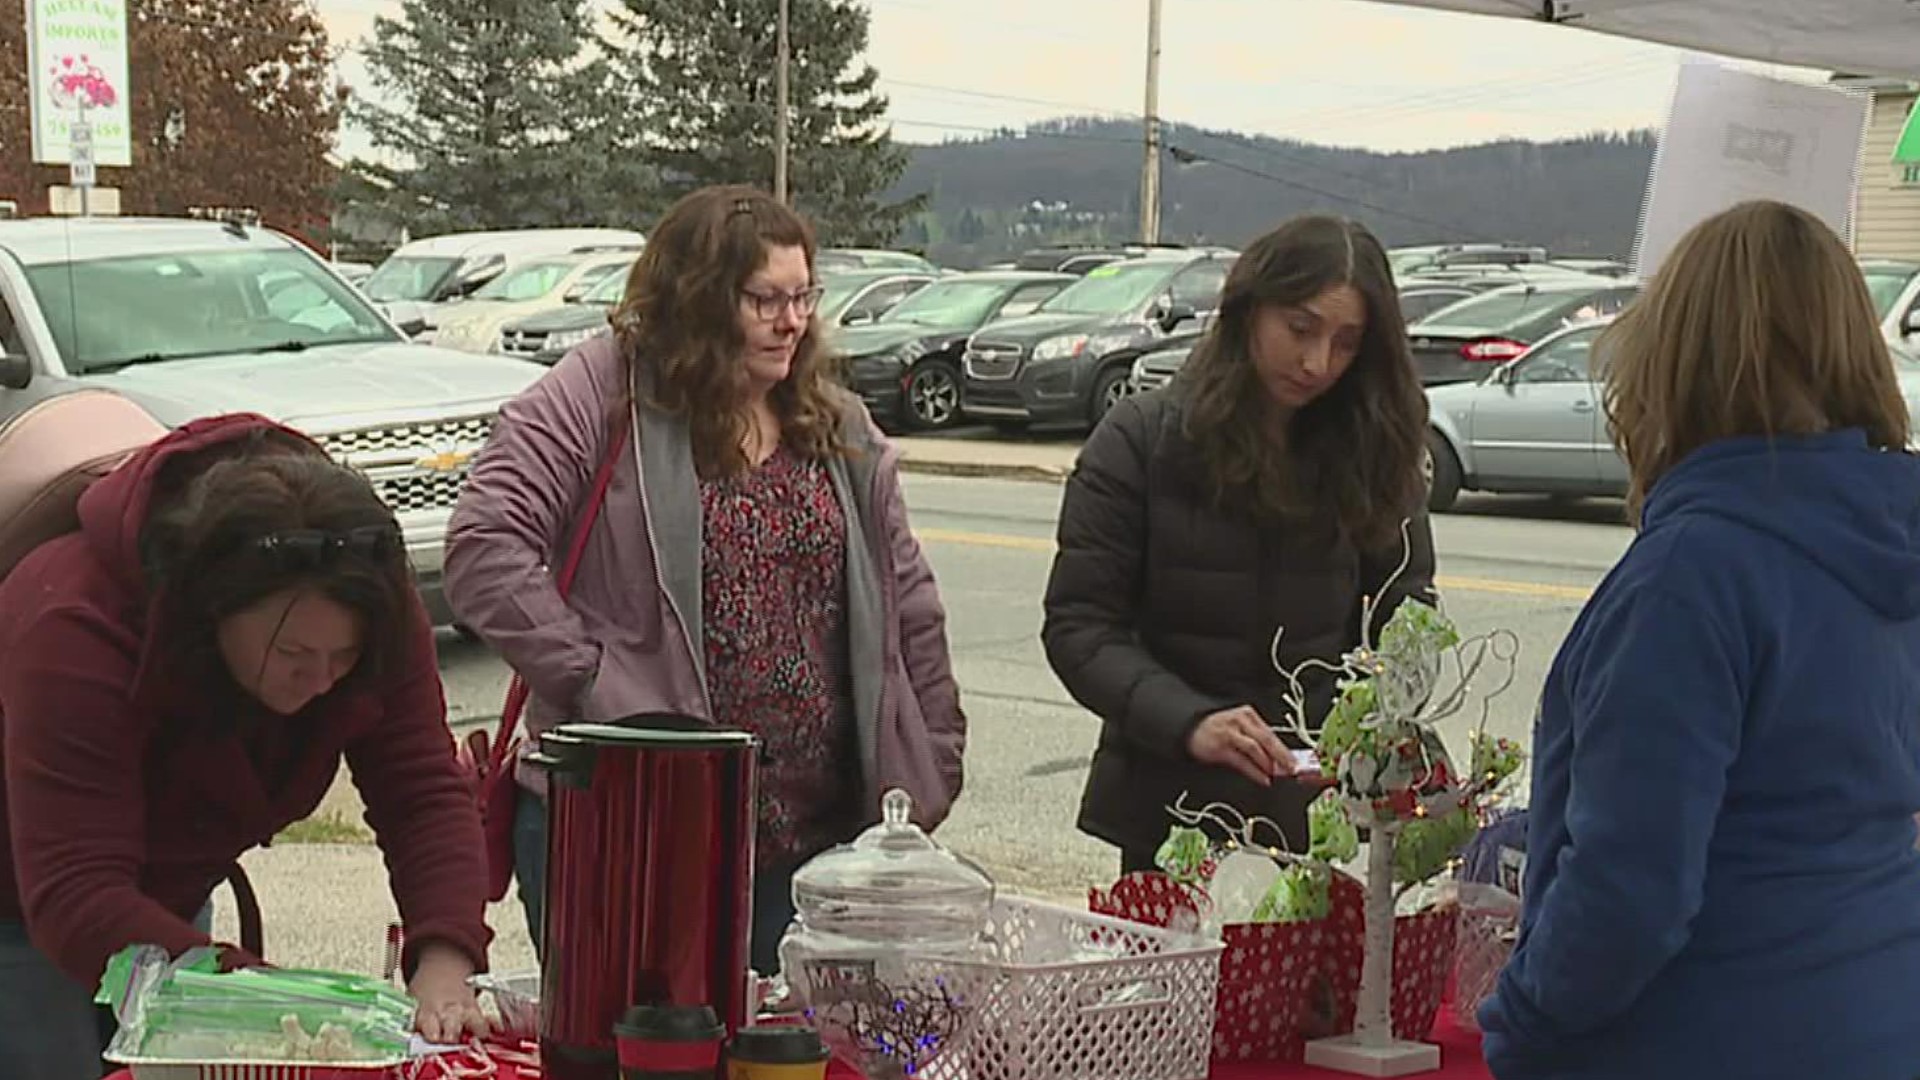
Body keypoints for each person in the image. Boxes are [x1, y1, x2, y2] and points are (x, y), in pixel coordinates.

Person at [445, 184, 965, 976]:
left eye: (803, 297)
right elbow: (485, 545)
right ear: (698, 299)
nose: (792, 321)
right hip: (631, 838)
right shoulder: (603, 393)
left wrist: (935, 751)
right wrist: (595, 681)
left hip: (814, 853)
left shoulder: (834, 423)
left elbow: (910, 603)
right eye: (765, 300)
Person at [1478, 200, 1920, 1078]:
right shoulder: (1890, 538)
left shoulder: (1693, 575)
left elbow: (1631, 889)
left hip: (1705, 1031)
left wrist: (1520, 1025)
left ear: (1673, 361)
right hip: (1880, 1009)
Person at [0, 413, 494, 1079]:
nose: (322, 678)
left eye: (343, 656)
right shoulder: (75, 624)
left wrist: (445, 959)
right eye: (293, 652)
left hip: (160, 892)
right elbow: (74, 894)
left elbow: (423, 792)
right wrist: (271, 1003)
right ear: (212, 611)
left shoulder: (370, 593)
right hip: (22, 904)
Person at [1042, 214, 1436, 872]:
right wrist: (1191, 722)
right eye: (1301, 329)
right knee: (1175, 977)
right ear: (1249, 309)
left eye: (1346, 343)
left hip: (1323, 814)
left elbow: (1408, 609)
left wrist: (1375, 715)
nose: (1317, 364)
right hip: (1174, 813)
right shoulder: (1143, 438)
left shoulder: (1376, 448)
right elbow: (1080, 628)